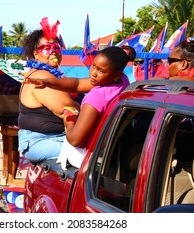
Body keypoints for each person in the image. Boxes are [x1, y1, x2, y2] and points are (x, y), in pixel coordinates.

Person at [25, 45, 136, 168]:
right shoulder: (122, 82)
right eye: (93, 66)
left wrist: (69, 121)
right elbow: (77, 84)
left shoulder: (95, 98)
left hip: (86, 155)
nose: (93, 73)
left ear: (116, 74)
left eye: (101, 71)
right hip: (107, 149)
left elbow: (75, 140)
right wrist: (47, 82)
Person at [18, 17, 80, 162]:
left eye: (56, 48)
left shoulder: (56, 75)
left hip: (56, 137)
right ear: (35, 53)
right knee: (95, 155)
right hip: (41, 141)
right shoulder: (41, 75)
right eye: (47, 48)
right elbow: (68, 109)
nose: (53, 52)